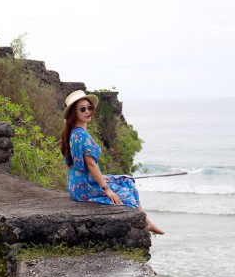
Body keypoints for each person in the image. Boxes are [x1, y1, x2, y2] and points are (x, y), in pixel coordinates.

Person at [61, 89, 165, 234]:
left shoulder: (74, 132)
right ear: (74, 113)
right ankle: (145, 222)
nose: (87, 111)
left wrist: (100, 177)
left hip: (76, 184)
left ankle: (146, 221)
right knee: (125, 193)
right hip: (84, 187)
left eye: (90, 107)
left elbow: (83, 165)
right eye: (82, 109)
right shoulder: (81, 135)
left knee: (126, 179)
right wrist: (106, 189)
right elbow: (90, 164)